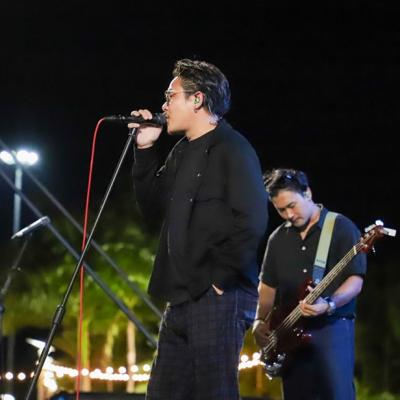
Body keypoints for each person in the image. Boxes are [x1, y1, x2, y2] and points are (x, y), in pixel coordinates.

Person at [129, 59, 268, 400]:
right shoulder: (181, 152)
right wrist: (145, 150)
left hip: (218, 294)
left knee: (214, 392)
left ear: (197, 99)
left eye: (170, 96)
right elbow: (151, 208)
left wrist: (220, 279)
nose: (164, 105)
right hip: (179, 297)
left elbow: (251, 220)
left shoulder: (234, 148)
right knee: (163, 393)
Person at [253, 168, 367, 400]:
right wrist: (259, 320)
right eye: (280, 210)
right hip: (289, 336)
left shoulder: (342, 227)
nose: (288, 215)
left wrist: (330, 304)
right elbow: (267, 287)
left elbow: (355, 280)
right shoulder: (277, 238)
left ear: (307, 193)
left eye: (292, 205)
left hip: (332, 328)